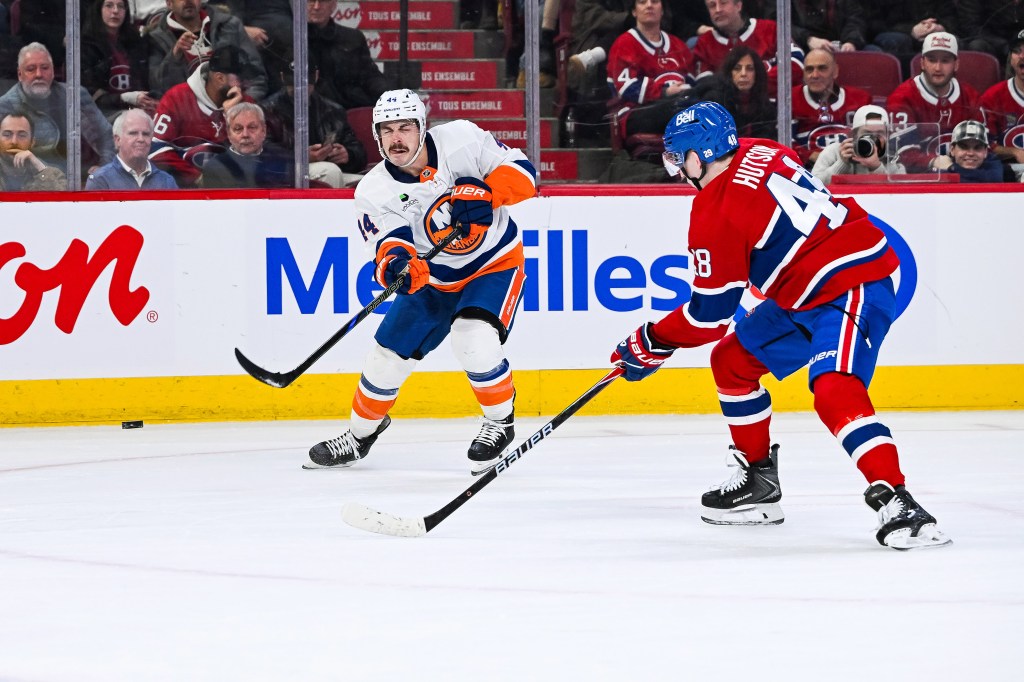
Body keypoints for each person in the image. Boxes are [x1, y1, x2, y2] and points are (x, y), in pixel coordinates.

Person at [611, 101, 951, 550]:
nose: (676, 168)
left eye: (678, 157)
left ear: (700, 155)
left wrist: (652, 340)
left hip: (853, 282)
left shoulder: (714, 212)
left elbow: (709, 314)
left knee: (833, 388)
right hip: (805, 289)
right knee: (732, 361)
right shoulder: (761, 149)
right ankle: (759, 483)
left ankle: (901, 502)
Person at [306, 89, 537, 475]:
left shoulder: (461, 138)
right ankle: (360, 435)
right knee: (384, 360)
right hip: (432, 280)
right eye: (387, 131)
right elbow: (388, 242)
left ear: (422, 127)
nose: (397, 139)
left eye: (405, 128)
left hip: (492, 264)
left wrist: (489, 193)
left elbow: (524, 173)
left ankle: (499, 421)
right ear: (377, 136)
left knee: (473, 339)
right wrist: (399, 265)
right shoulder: (373, 190)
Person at [0, 43, 115, 177]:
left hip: (80, 179)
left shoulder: (76, 95)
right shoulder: (5, 106)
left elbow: (106, 135)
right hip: (34, 182)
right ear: (20, 74)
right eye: (31, 69)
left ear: (53, 72)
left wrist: (103, 167)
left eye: (45, 68)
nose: (39, 74)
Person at [150, 45, 255, 187]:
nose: (246, 84)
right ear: (219, 78)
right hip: (184, 190)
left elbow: (256, 154)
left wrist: (231, 118)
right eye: (241, 79)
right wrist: (196, 178)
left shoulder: (246, 104)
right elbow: (155, 149)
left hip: (233, 189)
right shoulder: (176, 98)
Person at [261, 55, 367, 188]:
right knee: (329, 171)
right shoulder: (267, 110)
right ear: (282, 77)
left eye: (305, 81)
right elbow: (263, 150)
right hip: (285, 172)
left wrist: (348, 154)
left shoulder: (332, 110)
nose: (299, 87)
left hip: (329, 170)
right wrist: (300, 157)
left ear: (316, 76)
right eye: (293, 81)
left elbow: (356, 148)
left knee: (370, 183)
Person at [887, 32, 984, 173]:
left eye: (945, 61)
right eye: (932, 60)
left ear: (956, 64)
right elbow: (904, 155)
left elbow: (982, 148)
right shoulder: (902, 97)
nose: (938, 68)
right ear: (922, 63)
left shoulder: (970, 96)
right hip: (918, 180)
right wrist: (934, 161)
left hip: (964, 175)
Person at [146, 0, 268, 99]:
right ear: (169, 3)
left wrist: (243, 104)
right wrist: (175, 54)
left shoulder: (229, 25)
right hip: (188, 117)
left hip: (235, 109)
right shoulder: (156, 39)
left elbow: (256, 78)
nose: (188, 1)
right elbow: (158, 88)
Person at [607, 0, 694, 140]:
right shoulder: (624, 44)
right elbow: (627, 88)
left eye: (654, 1)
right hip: (636, 113)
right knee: (680, 109)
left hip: (677, 105)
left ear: (663, 10)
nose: (649, 5)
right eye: (642, 2)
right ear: (634, 11)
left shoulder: (678, 45)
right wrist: (666, 91)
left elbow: (693, 82)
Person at [791, 48, 871, 167]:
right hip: (806, 170)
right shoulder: (790, 99)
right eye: (809, 69)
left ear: (835, 71)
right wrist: (809, 155)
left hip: (853, 167)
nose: (815, 75)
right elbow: (783, 141)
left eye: (822, 68)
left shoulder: (860, 99)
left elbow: (872, 139)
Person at [307, 0, 393, 110]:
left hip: (348, 111)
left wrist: (391, 97)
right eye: (310, 1)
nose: (316, 6)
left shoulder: (352, 38)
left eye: (323, 1)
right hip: (308, 115)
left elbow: (370, 77)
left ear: (333, 5)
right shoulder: (291, 39)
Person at [82, 0, 158, 122]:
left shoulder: (136, 43)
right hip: (102, 113)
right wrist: (124, 98)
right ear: (98, 10)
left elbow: (146, 81)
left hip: (136, 108)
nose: (115, 11)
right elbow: (88, 94)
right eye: (109, 5)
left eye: (120, 6)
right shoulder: (85, 46)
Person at [682, 45, 776, 138]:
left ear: (757, 73)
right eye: (737, 69)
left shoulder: (764, 106)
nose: (743, 74)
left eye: (749, 69)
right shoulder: (714, 101)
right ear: (729, 73)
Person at [200, 102, 293, 188]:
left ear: (264, 130)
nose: (245, 134)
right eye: (238, 129)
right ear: (229, 134)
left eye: (252, 127)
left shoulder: (283, 160)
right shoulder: (216, 167)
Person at [811, 104, 906, 183]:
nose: (873, 139)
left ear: (887, 136)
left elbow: (903, 193)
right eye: (867, 133)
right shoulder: (834, 151)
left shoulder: (891, 158)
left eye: (879, 133)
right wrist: (842, 163)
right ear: (854, 135)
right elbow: (813, 186)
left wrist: (876, 167)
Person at [86, 108, 178, 189]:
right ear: (117, 140)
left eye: (146, 134)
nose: (141, 139)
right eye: (133, 133)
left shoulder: (167, 182)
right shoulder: (100, 181)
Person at [980, 30, 1024, 167]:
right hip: (1006, 174)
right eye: (1017, 51)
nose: (1022, 56)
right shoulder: (993, 97)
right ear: (1011, 59)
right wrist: (1014, 152)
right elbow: (983, 144)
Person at [931, 119, 1016, 183]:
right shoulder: (942, 167)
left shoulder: (994, 163)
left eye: (977, 148)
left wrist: (952, 168)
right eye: (964, 147)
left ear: (986, 152)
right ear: (952, 150)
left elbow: (992, 179)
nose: (971, 153)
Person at [0, 111, 66, 191]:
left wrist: (39, 168)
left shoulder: (54, 174)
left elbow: (61, 200)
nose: (14, 141)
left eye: (22, 135)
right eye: (7, 135)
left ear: (32, 142)